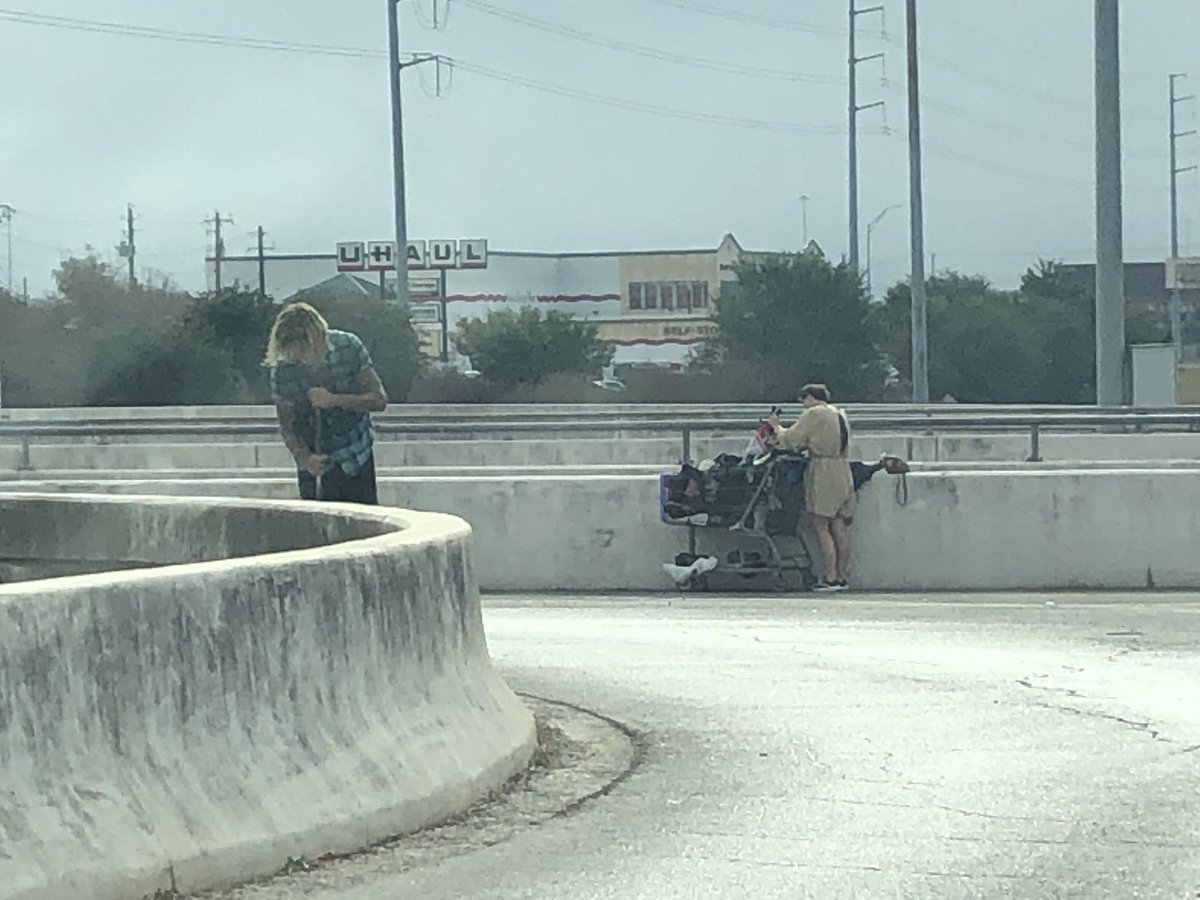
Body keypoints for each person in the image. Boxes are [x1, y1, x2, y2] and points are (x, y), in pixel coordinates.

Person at [264, 302, 388, 504]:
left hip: (355, 454)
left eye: (302, 350)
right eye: (293, 352)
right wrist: (305, 459)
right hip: (315, 462)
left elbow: (379, 400)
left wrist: (334, 400)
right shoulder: (282, 370)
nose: (299, 358)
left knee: (363, 522)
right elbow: (287, 427)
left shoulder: (348, 346)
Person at [772, 383, 854, 592]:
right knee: (839, 525)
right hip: (843, 469)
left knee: (821, 524)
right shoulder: (839, 413)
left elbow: (792, 439)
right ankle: (843, 576)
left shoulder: (814, 413)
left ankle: (830, 577)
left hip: (824, 470)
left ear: (809, 398)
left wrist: (776, 427)